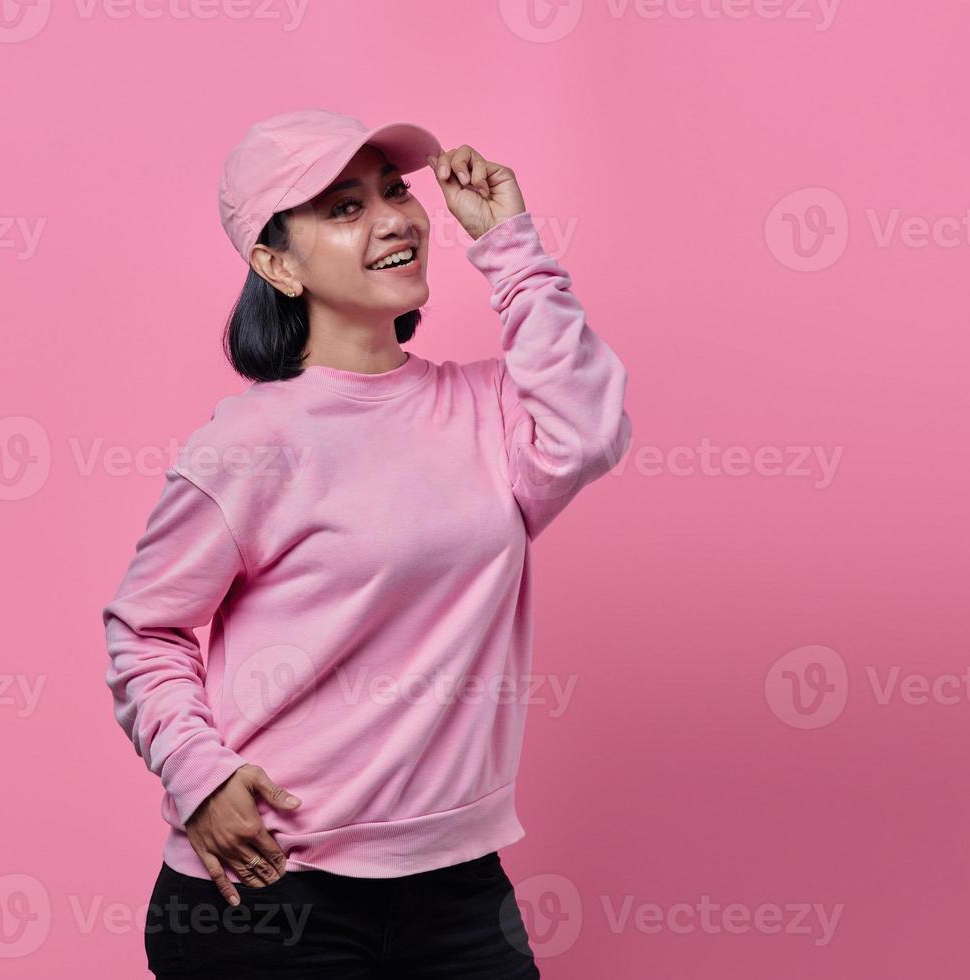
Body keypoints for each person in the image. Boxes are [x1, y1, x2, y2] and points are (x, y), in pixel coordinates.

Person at [102, 107, 632, 978]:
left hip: (458, 888)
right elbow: (145, 630)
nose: (392, 218)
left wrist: (512, 247)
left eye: (394, 192)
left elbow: (589, 432)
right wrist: (197, 773)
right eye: (343, 207)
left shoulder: (490, 409)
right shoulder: (249, 445)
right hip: (270, 892)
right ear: (276, 263)